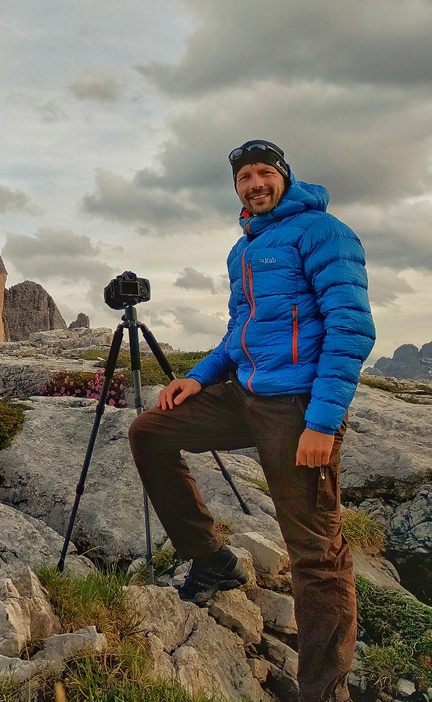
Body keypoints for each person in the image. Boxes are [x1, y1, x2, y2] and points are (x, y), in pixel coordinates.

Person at [128, 139, 375, 702]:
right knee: (150, 431)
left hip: (297, 408)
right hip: (246, 394)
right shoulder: (246, 246)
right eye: (244, 177)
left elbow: (351, 327)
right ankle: (210, 559)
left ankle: (322, 690)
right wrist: (200, 376)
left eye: (265, 173)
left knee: (315, 552)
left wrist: (323, 420)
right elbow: (242, 327)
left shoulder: (324, 232)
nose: (254, 184)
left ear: (284, 177)